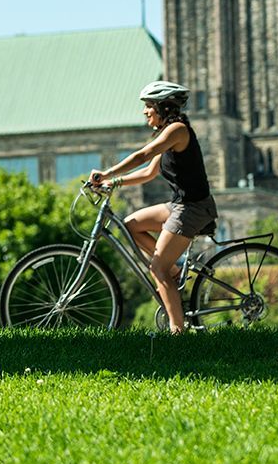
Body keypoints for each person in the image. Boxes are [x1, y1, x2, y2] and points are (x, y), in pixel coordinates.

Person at [88, 80, 216, 334]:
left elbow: (142, 156)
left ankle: (178, 332)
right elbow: (148, 172)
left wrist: (106, 173)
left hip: (193, 208)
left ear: (164, 107)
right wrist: (114, 183)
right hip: (179, 205)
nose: (145, 111)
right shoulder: (167, 134)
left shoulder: (177, 130)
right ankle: (174, 270)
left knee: (157, 268)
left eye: (149, 106)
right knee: (130, 226)